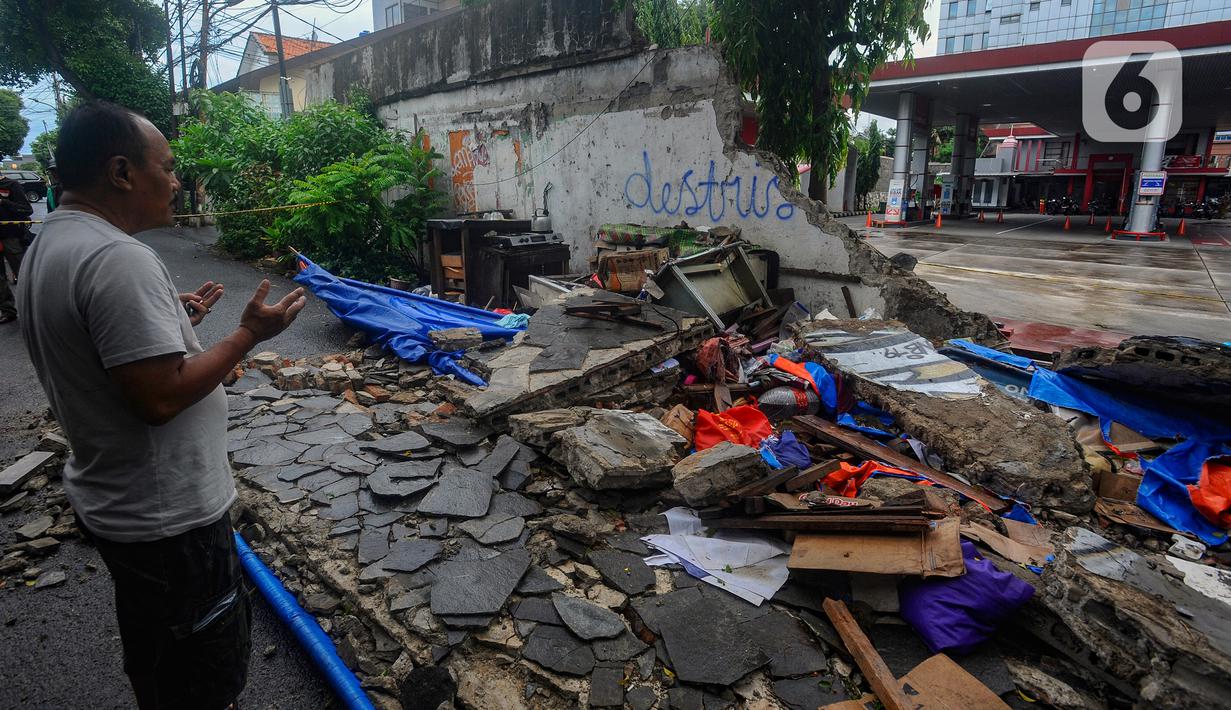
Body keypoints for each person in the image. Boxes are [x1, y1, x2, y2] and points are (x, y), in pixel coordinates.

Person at [16, 100, 307, 710]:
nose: (176, 182)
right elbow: (160, 396)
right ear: (122, 172)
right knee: (202, 675)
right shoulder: (117, 259)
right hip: (167, 518)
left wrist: (167, 322)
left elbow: (104, 351)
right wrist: (248, 334)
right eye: (168, 167)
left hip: (119, 502)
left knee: (155, 652)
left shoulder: (52, 242)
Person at [0, 170, 32, 323]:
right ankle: (7, 310)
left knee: (23, 274)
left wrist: (4, 202)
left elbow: (26, 209)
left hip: (11, 237)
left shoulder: (11, 185)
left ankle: (35, 308)